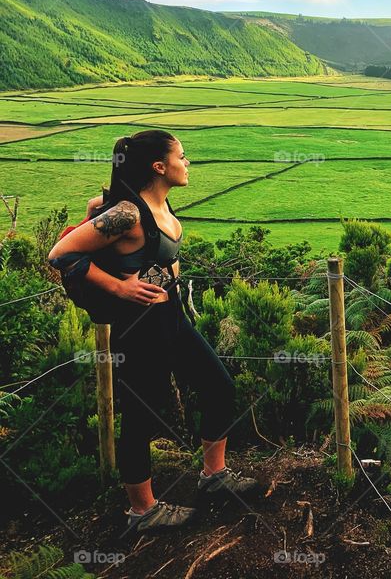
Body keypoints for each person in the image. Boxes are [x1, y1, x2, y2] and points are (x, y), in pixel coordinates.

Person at [47, 130, 258, 533]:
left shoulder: (154, 202)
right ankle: (142, 512)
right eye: (182, 155)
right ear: (159, 166)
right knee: (143, 416)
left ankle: (213, 476)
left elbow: (97, 207)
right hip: (140, 327)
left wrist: (98, 207)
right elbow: (60, 254)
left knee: (218, 385)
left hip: (172, 316)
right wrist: (119, 286)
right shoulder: (127, 214)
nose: (188, 162)